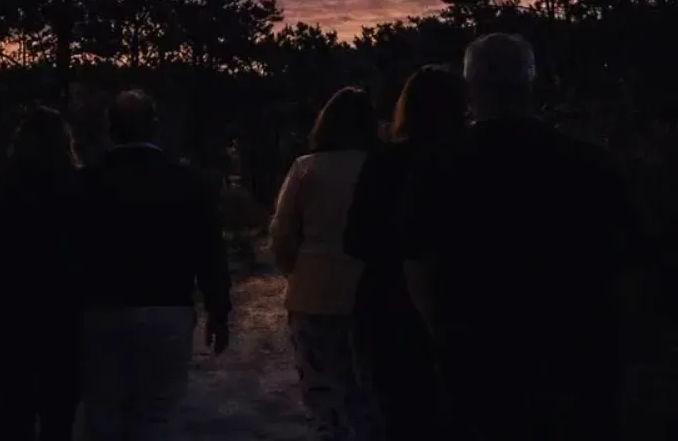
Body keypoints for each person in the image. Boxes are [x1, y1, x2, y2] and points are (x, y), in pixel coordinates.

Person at [406, 33, 640, 441]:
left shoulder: (437, 167)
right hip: (578, 362)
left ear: (470, 86)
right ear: (531, 83)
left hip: (478, 362)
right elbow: (630, 264)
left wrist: (443, 336)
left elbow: (418, 265)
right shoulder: (590, 163)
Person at [81, 89, 231, 441]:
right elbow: (209, 250)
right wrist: (218, 312)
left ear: (110, 129)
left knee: (103, 415)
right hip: (168, 311)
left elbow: (68, 252)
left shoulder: (87, 182)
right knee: (158, 416)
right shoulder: (186, 182)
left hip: (101, 312)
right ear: (154, 127)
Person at [344, 65, 467, 441]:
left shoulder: (384, 162)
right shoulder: (465, 157)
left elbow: (355, 240)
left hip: (386, 310)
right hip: (458, 308)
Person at [269, 86, 381, 441]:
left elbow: (283, 232)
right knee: (369, 396)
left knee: (323, 398)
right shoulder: (381, 166)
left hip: (313, 296)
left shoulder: (306, 168)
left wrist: (295, 271)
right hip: (371, 296)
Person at [0, 106, 85, 441]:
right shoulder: (77, 192)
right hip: (63, 320)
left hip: (10, 317)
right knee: (58, 417)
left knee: (12, 413)